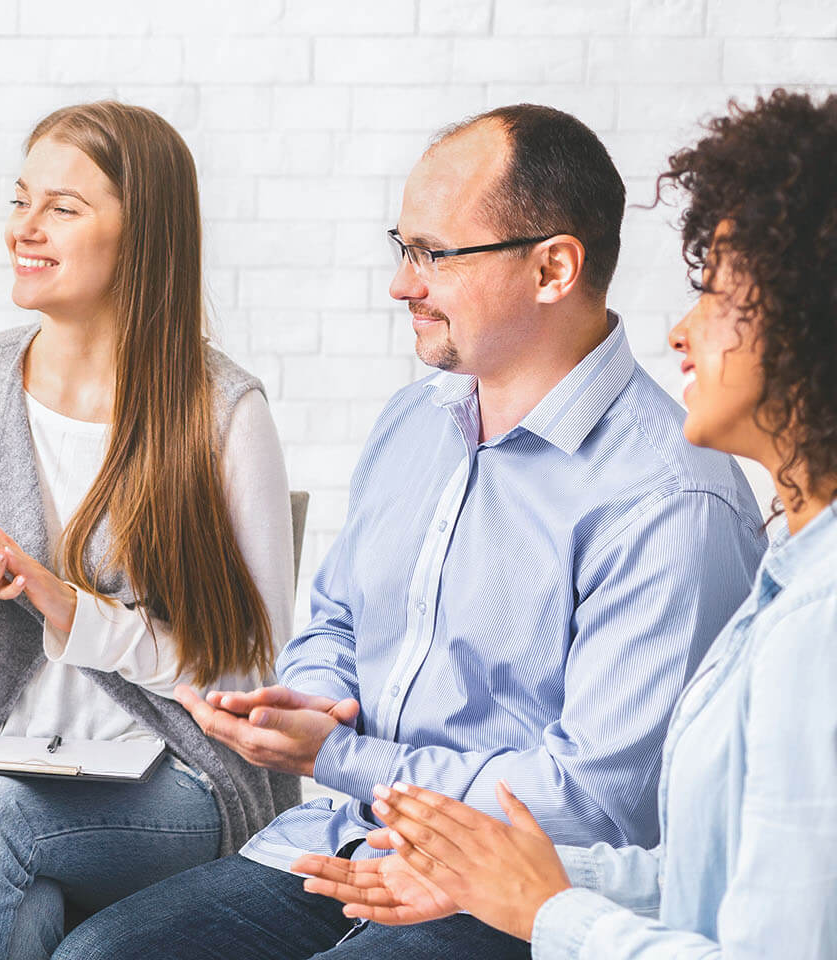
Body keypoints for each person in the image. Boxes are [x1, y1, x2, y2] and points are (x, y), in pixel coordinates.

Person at [54, 104, 768, 959]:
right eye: (404, 248)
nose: (402, 284)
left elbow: (595, 803)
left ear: (552, 269)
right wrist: (308, 702)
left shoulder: (671, 498)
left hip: (509, 894)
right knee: (98, 954)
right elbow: (336, 622)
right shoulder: (412, 422)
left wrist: (343, 757)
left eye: (433, 254)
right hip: (338, 843)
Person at [296, 88, 837, 960]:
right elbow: (705, 877)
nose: (680, 330)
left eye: (717, 296)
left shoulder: (789, 600)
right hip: (391, 852)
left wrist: (543, 909)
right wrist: (500, 882)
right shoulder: (797, 577)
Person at [0, 101, 299, 959]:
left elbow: (253, 669)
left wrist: (75, 612)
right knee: (8, 870)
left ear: (142, 233)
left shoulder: (223, 411)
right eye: (20, 200)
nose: (24, 228)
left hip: (176, 781)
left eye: (62, 208)